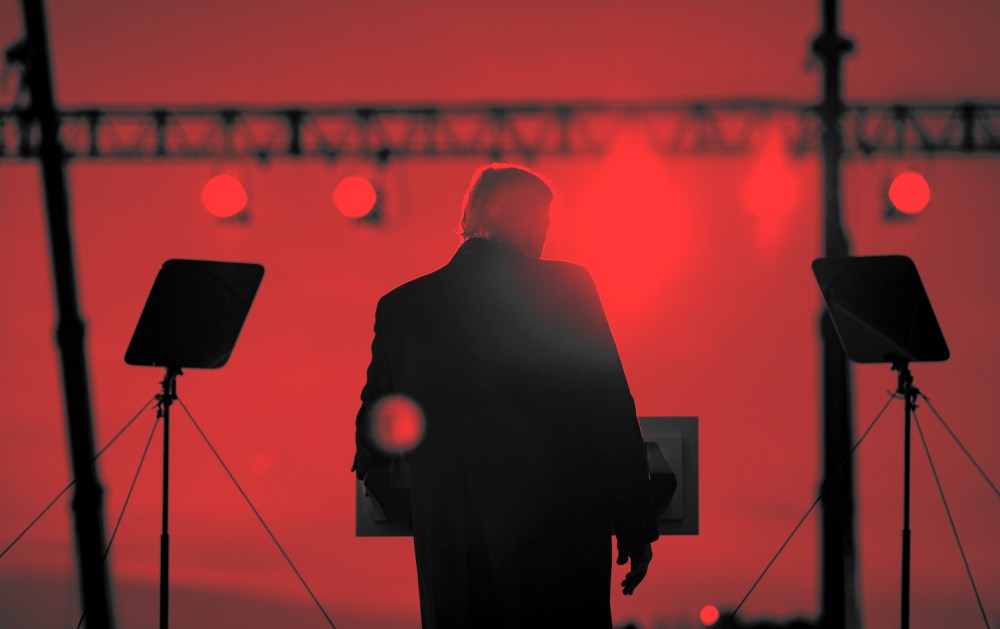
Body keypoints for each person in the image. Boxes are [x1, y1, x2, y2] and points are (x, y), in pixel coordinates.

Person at [352, 163, 658, 628]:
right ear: (526, 219)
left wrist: (415, 507)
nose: (546, 235)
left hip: (453, 548)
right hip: (562, 543)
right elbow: (611, 412)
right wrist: (635, 528)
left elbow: (375, 427)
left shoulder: (401, 308)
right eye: (545, 222)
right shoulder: (566, 289)